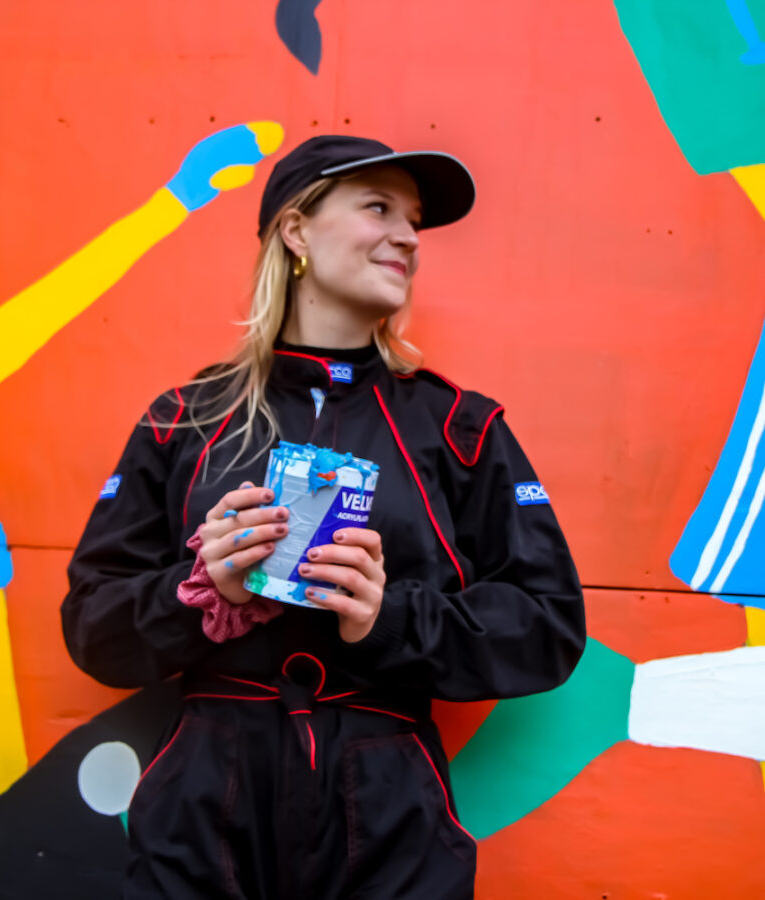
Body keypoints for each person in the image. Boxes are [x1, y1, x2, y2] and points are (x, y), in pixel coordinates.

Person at [61, 134, 586, 899]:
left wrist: (387, 618)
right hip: (203, 810)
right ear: (296, 230)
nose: (409, 237)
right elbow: (91, 627)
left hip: (390, 814)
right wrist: (202, 593)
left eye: (413, 220)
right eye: (379, 208)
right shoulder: (183, 420)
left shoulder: (459, 427)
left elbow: (547, 626)